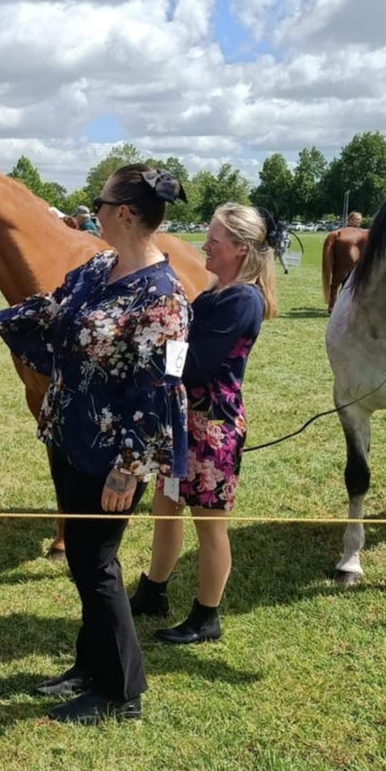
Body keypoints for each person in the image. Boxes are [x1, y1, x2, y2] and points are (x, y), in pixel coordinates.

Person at [0, 164, 189, 724]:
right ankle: (89, 664)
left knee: (96, 563)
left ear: (124, 213)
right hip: (69, 432)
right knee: (82, 557)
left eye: (100, 202)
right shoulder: (99, 266)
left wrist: (128, 468)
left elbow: (160, 389)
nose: (93, 210)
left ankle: (123, 691)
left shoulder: (164, 299)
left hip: (112, 458)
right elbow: (49, 308)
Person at [128, 203, 278, 643]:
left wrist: (158, 345)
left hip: (212, 428)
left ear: (240, 248)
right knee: (166, 508)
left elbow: (196, 365)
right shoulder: (217, 292)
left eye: (213, 240)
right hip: (184, 421)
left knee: (210, 525)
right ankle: (154, 590)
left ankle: (206, 617)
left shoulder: (242, 299)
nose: (204, 246)